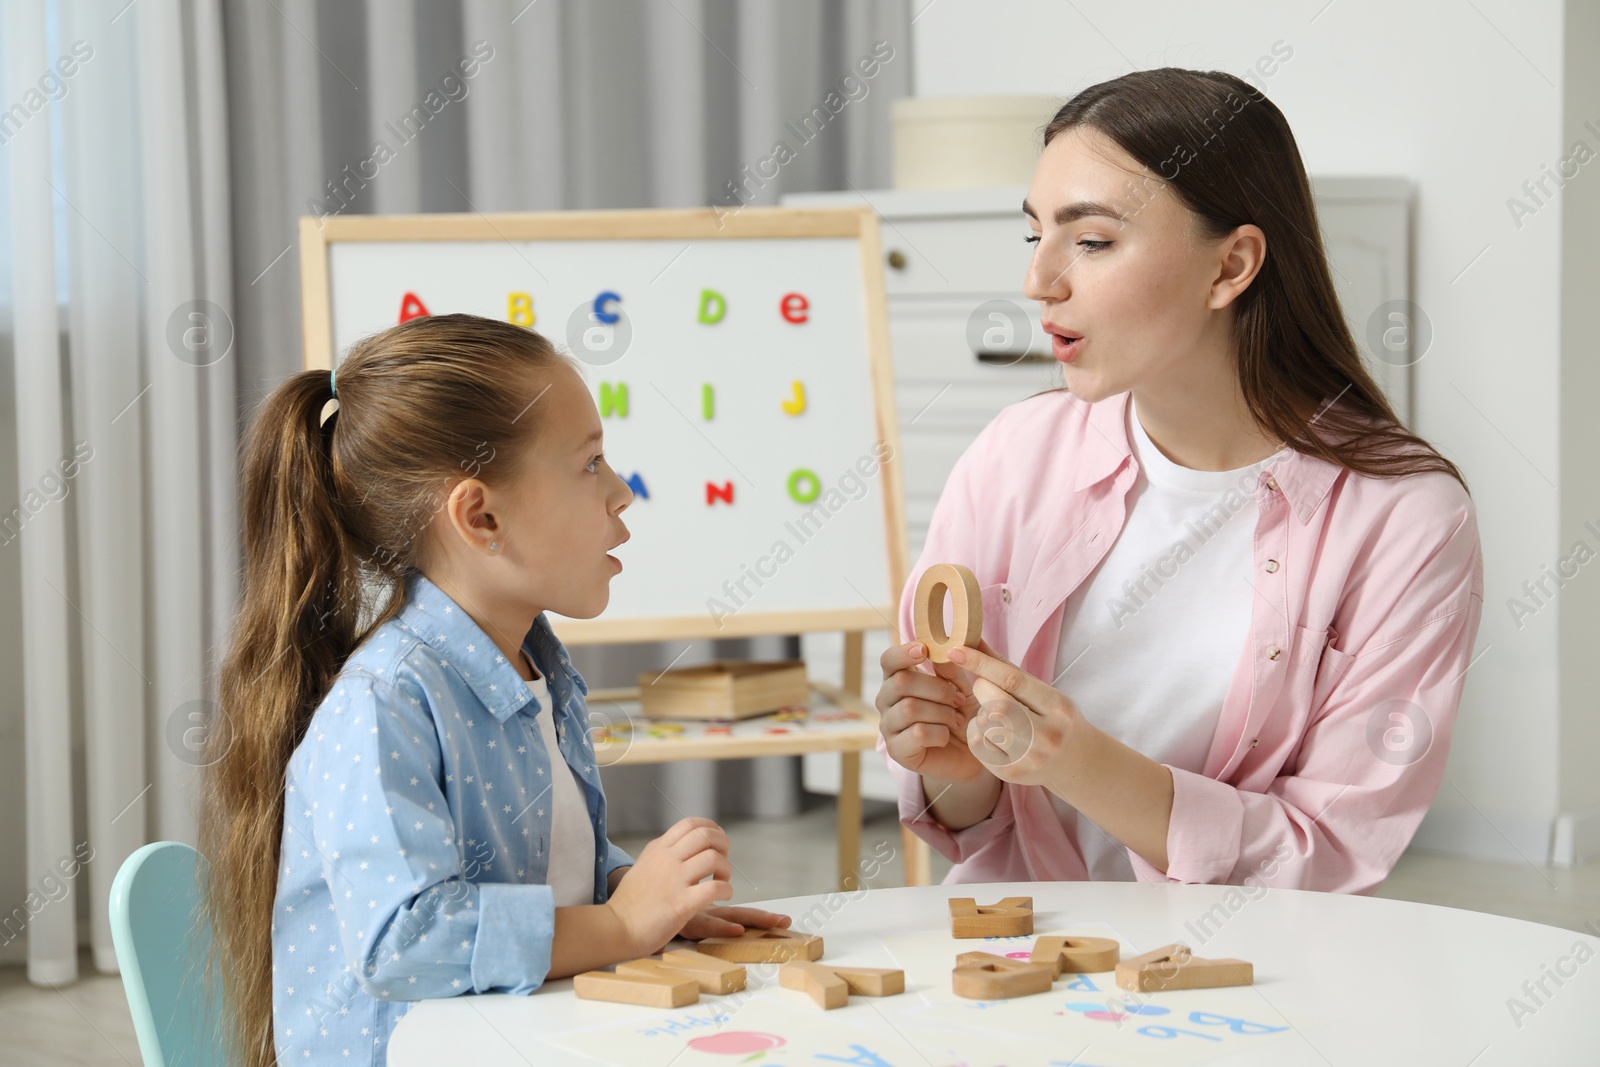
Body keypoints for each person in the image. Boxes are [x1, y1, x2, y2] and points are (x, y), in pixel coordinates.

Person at [875, 68, 1483, 894]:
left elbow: (1332, 852)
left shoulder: (1407, 520)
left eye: (1090, 241)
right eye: (1034, 236)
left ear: (1231, 266)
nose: (1039, 280)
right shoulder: (1013, 456)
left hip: (1245, 984)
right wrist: (960, 768)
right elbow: (968, 821)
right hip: (1019, 962)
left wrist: (1078, 761)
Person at [200, 314, 789, 1066]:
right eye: (590, 463)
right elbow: (404, 939)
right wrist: (617, 928)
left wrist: (636, 894)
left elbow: (542, 857)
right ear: (481, 516)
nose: (622, 492)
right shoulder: (383, 704)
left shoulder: (535, 666)